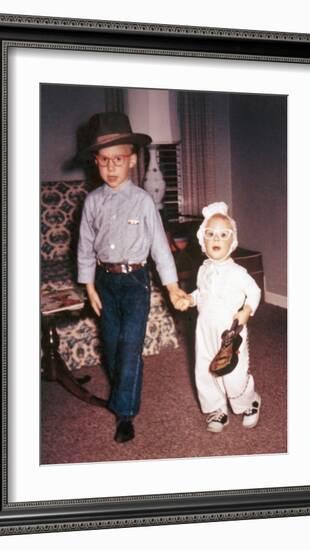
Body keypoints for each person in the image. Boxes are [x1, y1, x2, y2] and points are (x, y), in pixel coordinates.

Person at [77, 112, 188, 443]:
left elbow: (161, 248)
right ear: (95, 162)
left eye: (119, 159)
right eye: (104, 160)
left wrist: (172, 287)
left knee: (129, 348)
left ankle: (125, 412)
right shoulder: (92, 202)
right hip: (105, 282)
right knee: (111, 347)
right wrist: (88, 284)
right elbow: (84, 245)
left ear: (132, 160)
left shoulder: (143, 201)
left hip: (136, 282)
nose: (111, 167)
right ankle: (122, 389)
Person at [177, 202, 262, 433]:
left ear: (232, 242)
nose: (216, 238)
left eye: (223, 234)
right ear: (202, 241)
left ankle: (250, 400)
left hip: (231, 334)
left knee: (233, 373)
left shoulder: (238, 272)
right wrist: (190, 300)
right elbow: (201, 293)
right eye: (210, 234)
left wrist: (247, 310)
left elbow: (254, 292)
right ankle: (216, 409)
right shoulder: (203, 269)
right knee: (205, 370)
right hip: (204, 330)